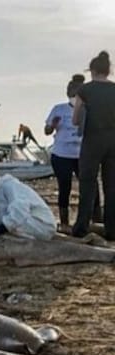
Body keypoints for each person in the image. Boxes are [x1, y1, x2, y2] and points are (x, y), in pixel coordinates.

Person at [44, 74, 102, 231]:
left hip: (82, 154)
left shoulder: (89, 109)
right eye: (70, 92)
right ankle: (64, 223)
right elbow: (47, 131)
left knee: (91, 186)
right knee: (65, 187)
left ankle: (96, 220)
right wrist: (53, 125)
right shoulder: (59, 109)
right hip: (62, 155)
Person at [72, 51, 115, 240]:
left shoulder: (85, 90)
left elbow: (75, 120)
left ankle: (82, 227)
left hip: (92, 140)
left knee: (87, 185)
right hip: (113, 140)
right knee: (112, 187)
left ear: (93, 70)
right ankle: (112, 229)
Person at [0, 163, 55, 240]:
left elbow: (19, 213)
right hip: (26, 225)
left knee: (15, 218)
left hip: (42, 226)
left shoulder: (10, 186)